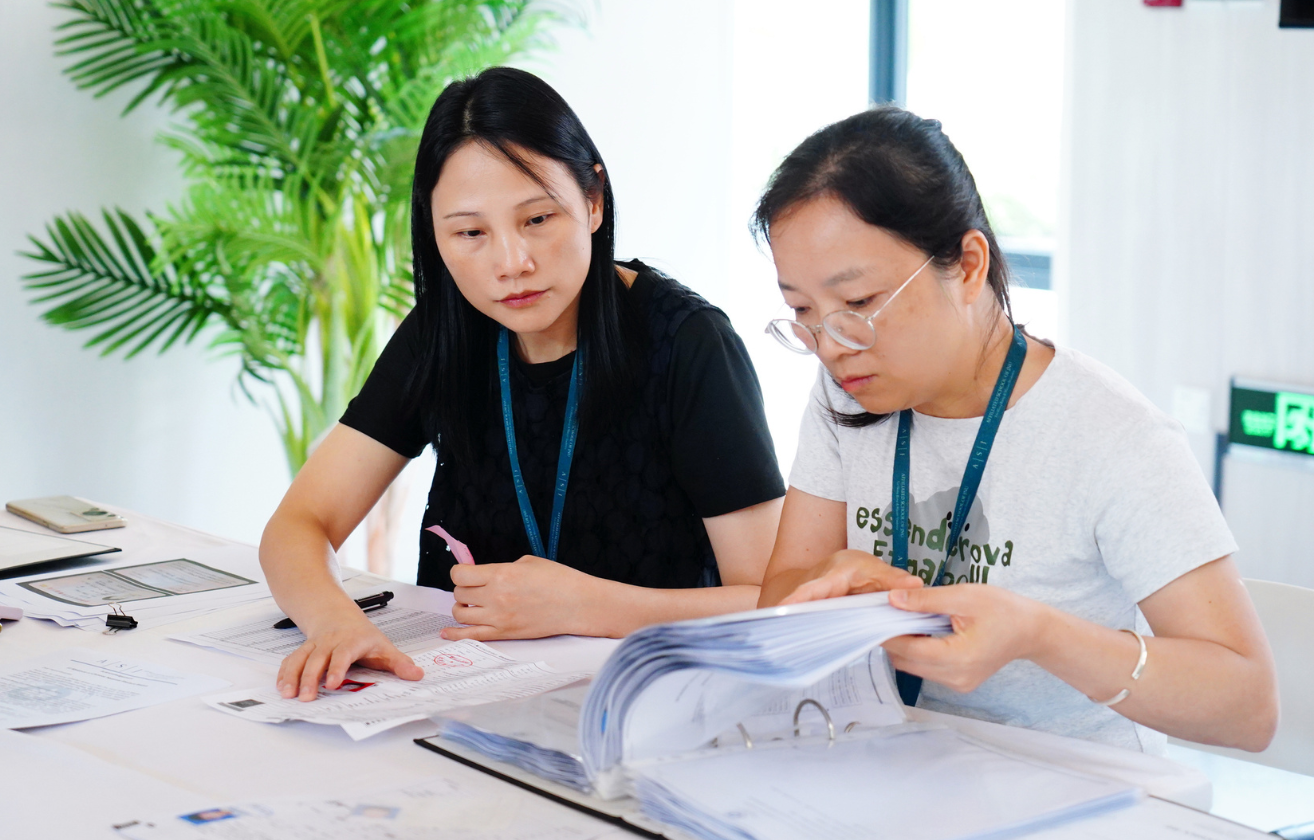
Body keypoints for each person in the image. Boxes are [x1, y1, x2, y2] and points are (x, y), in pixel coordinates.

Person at [754, 108, 1277, 754]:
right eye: (802, 311)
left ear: (968, 265)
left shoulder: (1109, 433)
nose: (832, 345)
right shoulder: (847, 394)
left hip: (1078, 781)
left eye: (858, 303)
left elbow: (1248, 706)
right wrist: (834, 580)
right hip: (895, 764)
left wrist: (1040, 634)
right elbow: (777, 598)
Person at [259, 68, 784, 701]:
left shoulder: (688, 343)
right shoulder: (443, 331)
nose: (511, 264)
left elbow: (773, 601)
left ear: (593, 200)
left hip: (647, 702)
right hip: (458, 697)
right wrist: (336, 623)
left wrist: (584, 605)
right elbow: (299, 525)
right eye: (470, 233)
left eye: (537, 218)